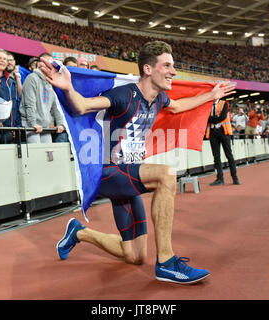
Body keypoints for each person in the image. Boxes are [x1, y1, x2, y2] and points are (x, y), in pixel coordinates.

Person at [39, 40, 235, 284]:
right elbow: (82, 106)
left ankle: (79, 232)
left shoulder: (160, 98)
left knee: (134, 255)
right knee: (166, 175)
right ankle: (166, 262)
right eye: (167, 65)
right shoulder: (125, 94)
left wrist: (211, 96)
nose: (173, 71)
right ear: (148, 69)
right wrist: (67, 88)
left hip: (127, 176)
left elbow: (178, 106)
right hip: (109, 172)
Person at [19, 52, 64, 144]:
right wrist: (33, 124)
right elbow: (29, 103)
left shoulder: (50, 81)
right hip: (31, 124)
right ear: (40, 64)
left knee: (47, 154)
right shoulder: (31, 78)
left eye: (52, 63)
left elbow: (55, 106)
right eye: (47, 62)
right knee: (36, 154)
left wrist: (60, 123)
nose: (50, 65)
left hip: (45, 125)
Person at [205, 99, 241, 186]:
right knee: (216, 157)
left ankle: (235, 178)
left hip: (223, 132)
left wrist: (210, 119)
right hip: (213, 133)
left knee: (229, 155)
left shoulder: (224, 103)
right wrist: (214, 119)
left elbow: (222, 117)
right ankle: (220, 179)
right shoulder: (208, 104)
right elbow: (205, 118)